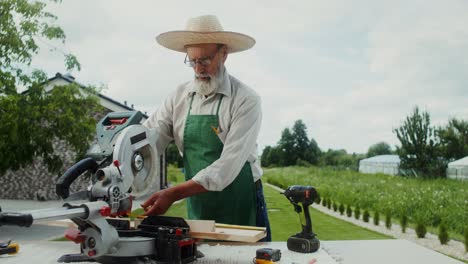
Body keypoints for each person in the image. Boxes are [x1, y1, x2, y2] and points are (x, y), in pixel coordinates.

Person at [141, 15, 271, 241]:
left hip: (240, 199)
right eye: (193, 61)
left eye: (206, 60)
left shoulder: (246, 100)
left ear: (224, 54)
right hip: (199, 200)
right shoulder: (179, 97)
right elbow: (150, 139)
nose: (198, 69)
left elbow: (226, 168)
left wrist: (173, 193)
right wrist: (125, 164)